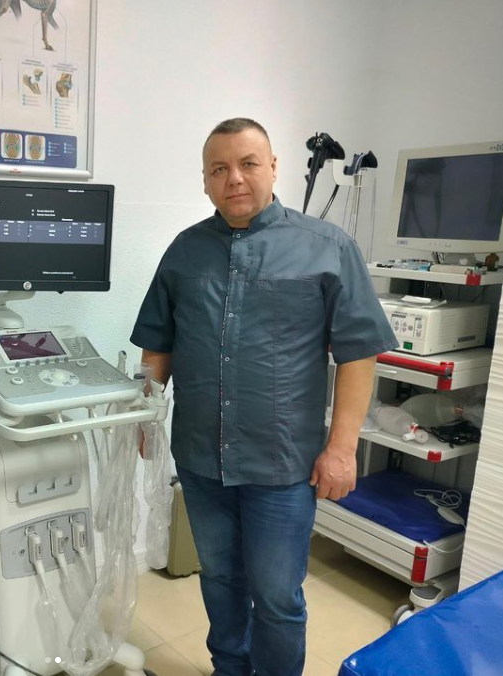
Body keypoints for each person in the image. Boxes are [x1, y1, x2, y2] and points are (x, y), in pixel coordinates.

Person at [130, 118, 397, 676]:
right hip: (202, 459)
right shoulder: (184, 252)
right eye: (219, 169)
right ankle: (230, 669)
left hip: (282, 465)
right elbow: (159, 345)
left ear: (273, 168)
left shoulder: (327, 248)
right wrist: (145, 415)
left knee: (277, 596)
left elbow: (359, 353)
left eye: (248, 163)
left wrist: (342, 449)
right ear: (205, 180)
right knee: (220, 579)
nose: (234, 178)